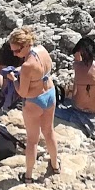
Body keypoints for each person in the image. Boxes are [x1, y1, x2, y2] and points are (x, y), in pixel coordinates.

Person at [9, 27, 59, 181]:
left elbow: (22, 92)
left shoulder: (27, 66)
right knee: (49, 132)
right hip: (50, 94)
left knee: (32, 140)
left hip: (34, 101)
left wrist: (14, 79)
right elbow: (41, 71)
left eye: (17, 51)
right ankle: (55, 166)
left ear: (25, 46)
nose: (14, 54)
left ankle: (29, 176)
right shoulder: (42, 50)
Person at [57, 33, 95, 137]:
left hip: (77, 106)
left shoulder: (76, 66)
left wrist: (77, 56)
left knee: (79, 80)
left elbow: (79, 63)